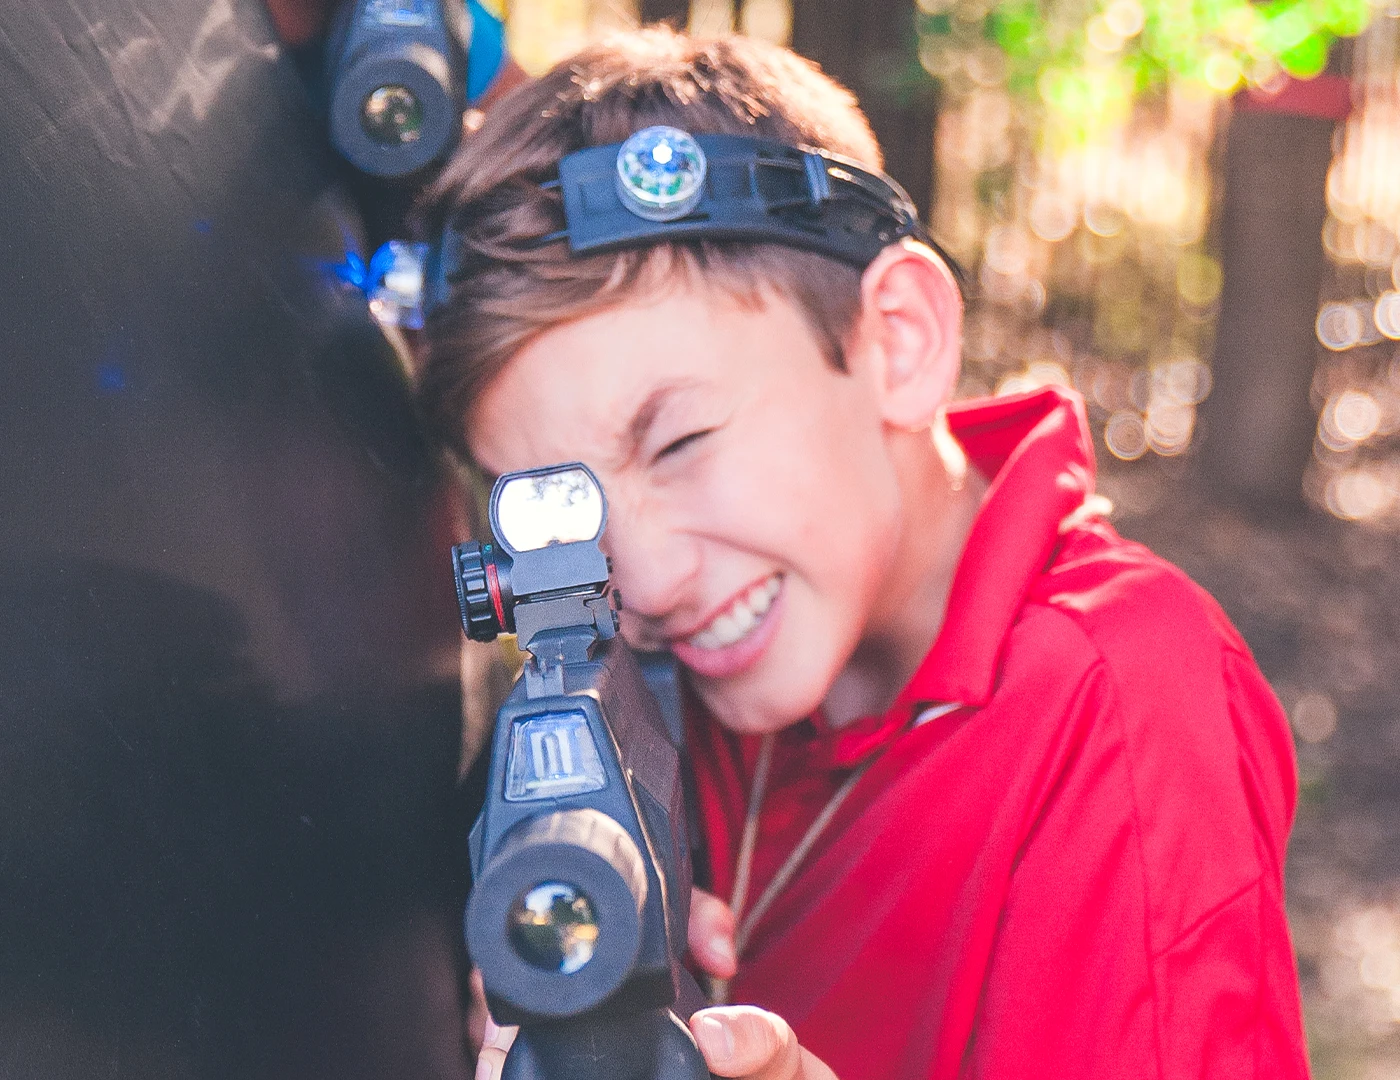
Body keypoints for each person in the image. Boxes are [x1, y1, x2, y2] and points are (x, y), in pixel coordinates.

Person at [415, 28, 1308, 1080]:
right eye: (565, 522)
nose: (645, 581)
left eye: (681, 442)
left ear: (898, 339)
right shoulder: (684, 675)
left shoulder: (1119, 695)